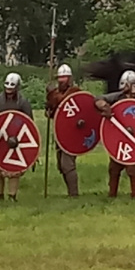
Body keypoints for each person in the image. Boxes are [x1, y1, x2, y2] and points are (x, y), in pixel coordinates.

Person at [94, 69, 135, 198]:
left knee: (133, 168)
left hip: (134, 138)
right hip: (119, 137)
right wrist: (104, 106)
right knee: (114, 168)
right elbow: (98, 99)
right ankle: (112, 194)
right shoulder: (117, 97)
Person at [0, 72, 34, 202]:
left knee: (14, 168)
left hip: (16, 139)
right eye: (7, 88)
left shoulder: (22, 102)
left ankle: (12, 195)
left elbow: (29, 123)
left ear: (17, 87)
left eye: (12, 88)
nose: (9, 91)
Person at [44, 63, 80, 197]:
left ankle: (74, 194)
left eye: (64, 77)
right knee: (61, 166)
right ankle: (70, 193)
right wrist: (48, 109)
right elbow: (56, 112)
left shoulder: (75, 92)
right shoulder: (57, 93)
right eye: (60, 77)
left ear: (69, 79)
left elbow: (65, 103)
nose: (61, 80)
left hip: (72, 134)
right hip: (60, 132)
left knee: (67, 164)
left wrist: (52, 94)